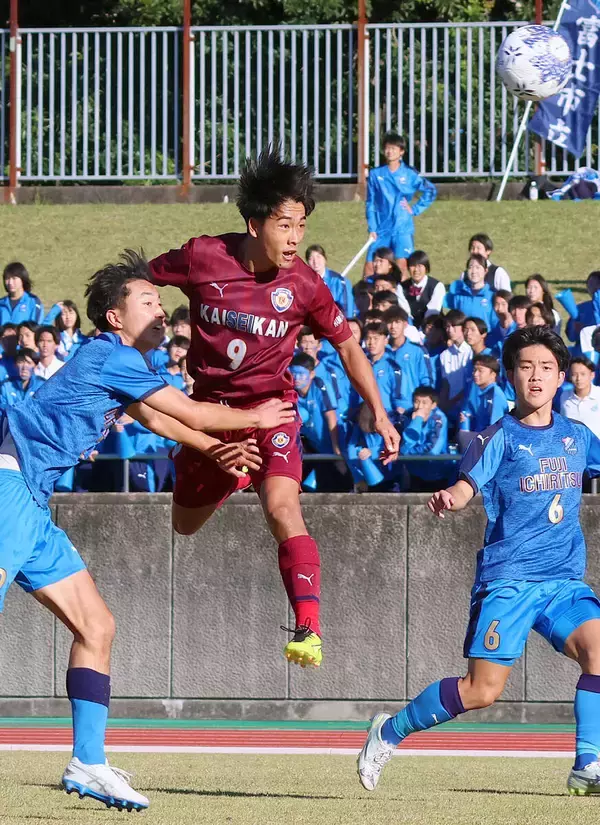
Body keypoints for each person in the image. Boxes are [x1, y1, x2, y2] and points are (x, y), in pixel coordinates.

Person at [0, 250, 293, 810]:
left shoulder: (117, 362)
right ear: (115, 317)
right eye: (149, 301)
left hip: (30, 500)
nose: (162, 311)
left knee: (98, 628)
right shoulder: (111, 356)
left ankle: (88, 763)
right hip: (7, 482)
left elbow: (160, 420)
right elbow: (192, 411)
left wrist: (216, 449)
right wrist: (256, 418)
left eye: (162, 301)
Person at [148, 148, 400, 668]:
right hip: (210, 420)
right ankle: (232, 476)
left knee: (285, 511)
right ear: (254, 221)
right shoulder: (201, 256)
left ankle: (307, 628)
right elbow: (141, 281)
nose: (294, 237)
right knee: (184, 526)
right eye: (285, 224)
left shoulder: (305, 284)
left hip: (273, 413)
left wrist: (379, 410)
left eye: (301, 225)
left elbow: (349, 345)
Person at [358, 325, 600, 798]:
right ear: (510, 376)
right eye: (526, 367)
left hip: (562, 582)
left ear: (560, 377)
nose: (537, 376)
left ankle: (587, 764)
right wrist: (451, 497)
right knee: (481, 692)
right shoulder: (497, 438)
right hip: (508, 581)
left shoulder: (578, 435)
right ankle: (389, 731)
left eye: (546, 368)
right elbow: (467, 487)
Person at [364, 133, 437, 278]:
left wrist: (415, 209)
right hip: (381, 228)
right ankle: (368, 298)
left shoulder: (409, 174)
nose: (390, 151)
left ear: (401, 151)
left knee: (402, 265)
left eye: (393, 148)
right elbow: (370, 202)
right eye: (387, 148)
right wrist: (372, 227)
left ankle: (400, 298)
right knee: (371, 266)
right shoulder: (375, 174)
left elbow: (430, 190)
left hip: (402, 228)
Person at [399, 386, 449, 491]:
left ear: (433, 405)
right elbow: (403, 447)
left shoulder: (439, 419)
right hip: (414, 472)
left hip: (436, 472)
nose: (420, 406)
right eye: (416, 402)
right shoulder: (407, 416)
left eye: (424, 403)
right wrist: (416, 421)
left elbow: (433, 450)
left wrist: (409, 453)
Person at [458, 354, 509, 451]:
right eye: (474, 370)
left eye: (480, 371)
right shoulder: (479, 394)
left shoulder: (496, 395)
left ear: (493, 374)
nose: (475, 374)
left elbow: (494, 432)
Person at [384, 306, 431, 410]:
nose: (393, 327)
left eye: (397, 322)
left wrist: (421, 407)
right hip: (386, 409)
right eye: (389, 322)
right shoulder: (381, 352)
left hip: (411, 407)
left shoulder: (417, 351)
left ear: (405, 324)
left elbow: (426, 380)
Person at [446, 254, 497, 331]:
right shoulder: (459, 295)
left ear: (485, 271)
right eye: (470, 267)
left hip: (486, 340)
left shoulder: (492, 295)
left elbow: (495, 324)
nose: (474, 271)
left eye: (478, 267)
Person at [438, 310, 473, 420]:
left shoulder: (471, 352)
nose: (450, 330)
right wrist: (443, 405)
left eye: (454, 326)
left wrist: (452, 402)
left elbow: (470, 384)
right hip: (451, 407)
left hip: (468, 406)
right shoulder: (445, 355)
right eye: (447, 327)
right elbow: (446, 383)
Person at [306, 244, 356, 317]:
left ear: (325, 259)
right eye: (311, 258)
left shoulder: (339, 282)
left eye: (318, 257)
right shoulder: (303, 282)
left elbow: (347, 308)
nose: (315, 261)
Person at [401, 250, 445, 328]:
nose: (416, 270)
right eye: (413, 266)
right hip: (409, 327)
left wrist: (422, 330)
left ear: (426, 268)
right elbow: (404, 311)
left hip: (433, 328)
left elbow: (433, 311)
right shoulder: (401, 287)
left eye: (420, 266)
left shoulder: (437, 286)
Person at [560, 357, 600, 440]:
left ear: (592, 375)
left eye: (583, 374)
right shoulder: (564, 396)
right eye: (574, 374)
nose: (578, 379)